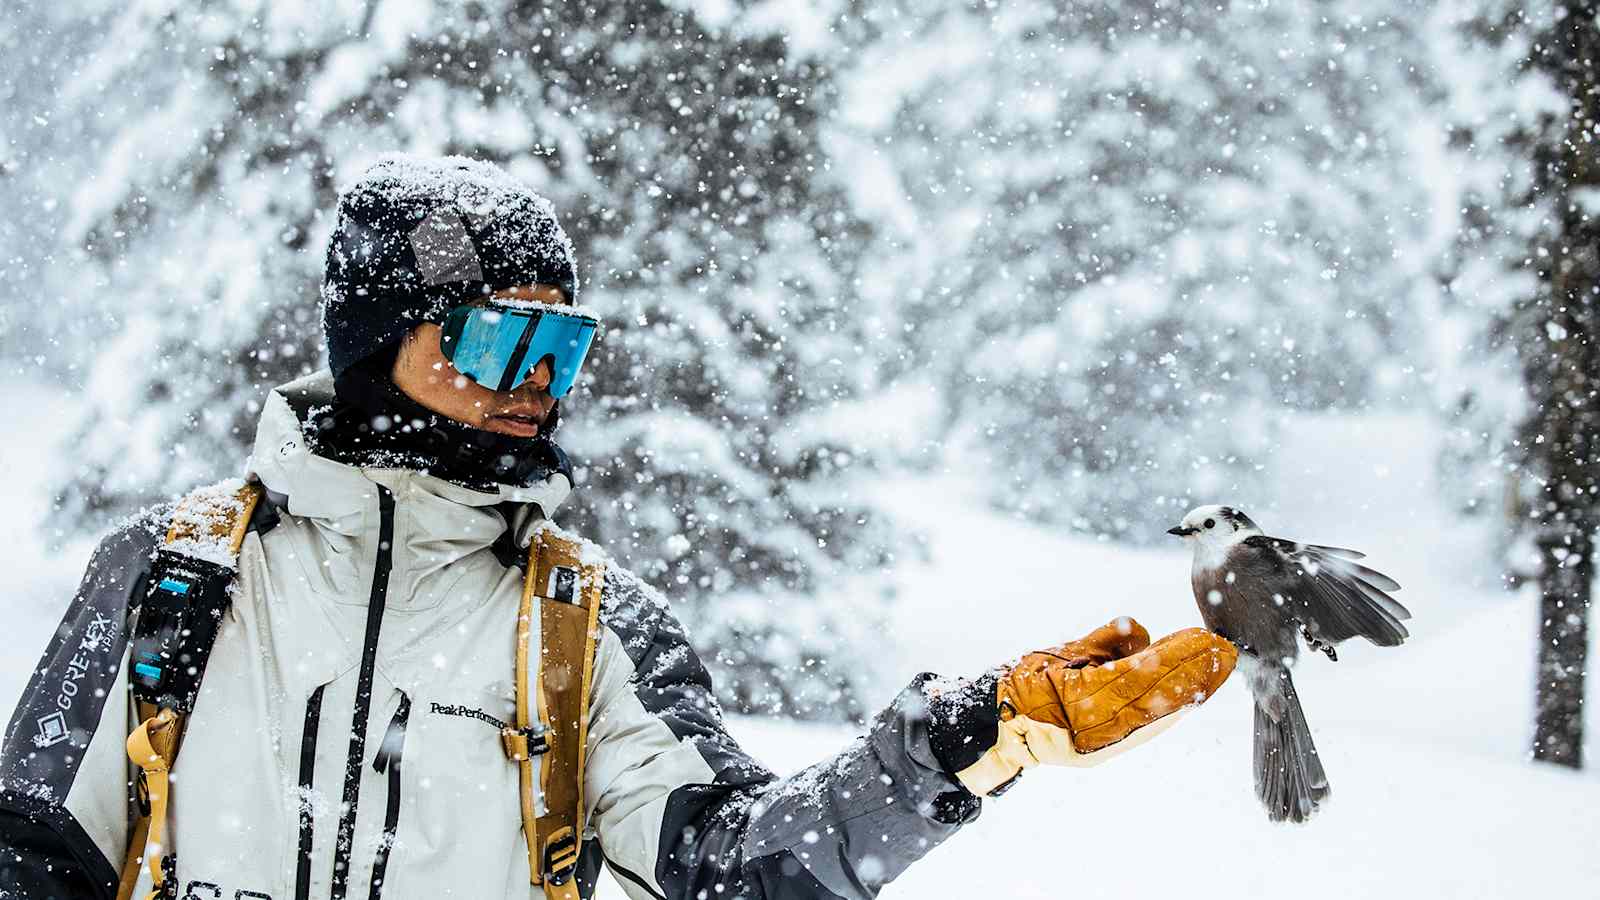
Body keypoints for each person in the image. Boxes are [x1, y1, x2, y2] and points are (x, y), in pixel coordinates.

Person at [0, 155, 1237, 900]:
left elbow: (735, 869)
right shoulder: (177, 573)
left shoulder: (589, 621)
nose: (536, 378)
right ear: (382, 344)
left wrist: (969, 743)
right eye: (498, 336)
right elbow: (33, 854)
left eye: (563, 343)